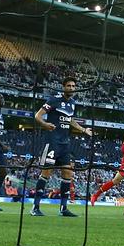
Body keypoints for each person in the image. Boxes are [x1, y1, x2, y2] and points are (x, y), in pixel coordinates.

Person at [32, 77, 92, 217]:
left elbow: (70, 120)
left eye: (73, 86)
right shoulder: (54, 100)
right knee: (46, 173)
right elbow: (37, 116)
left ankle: (63, 208)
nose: (71, 88)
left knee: (68, 174)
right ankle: (35, 207)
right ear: (63, 87)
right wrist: (45, 124)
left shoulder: (72, 103)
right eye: (69, 85)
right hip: (52, 142)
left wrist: (83, 130)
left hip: (65, 144)